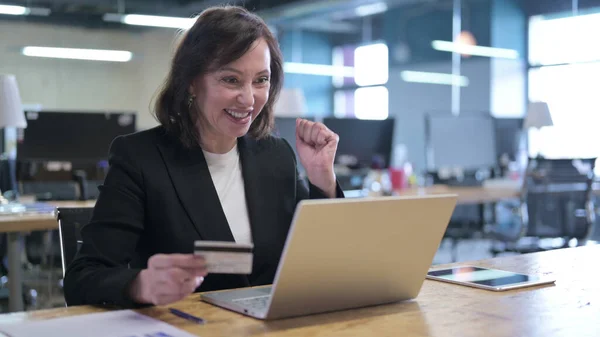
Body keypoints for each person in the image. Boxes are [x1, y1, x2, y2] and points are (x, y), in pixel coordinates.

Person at [63, 5, 344, 308]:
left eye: (261, 80)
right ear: (192, 82)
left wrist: (323, 180)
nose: (249, 98)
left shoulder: (275, 155)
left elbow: (321, 260)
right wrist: (140, 284)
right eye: (231, 80)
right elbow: (83, 278)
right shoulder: (141, 159)